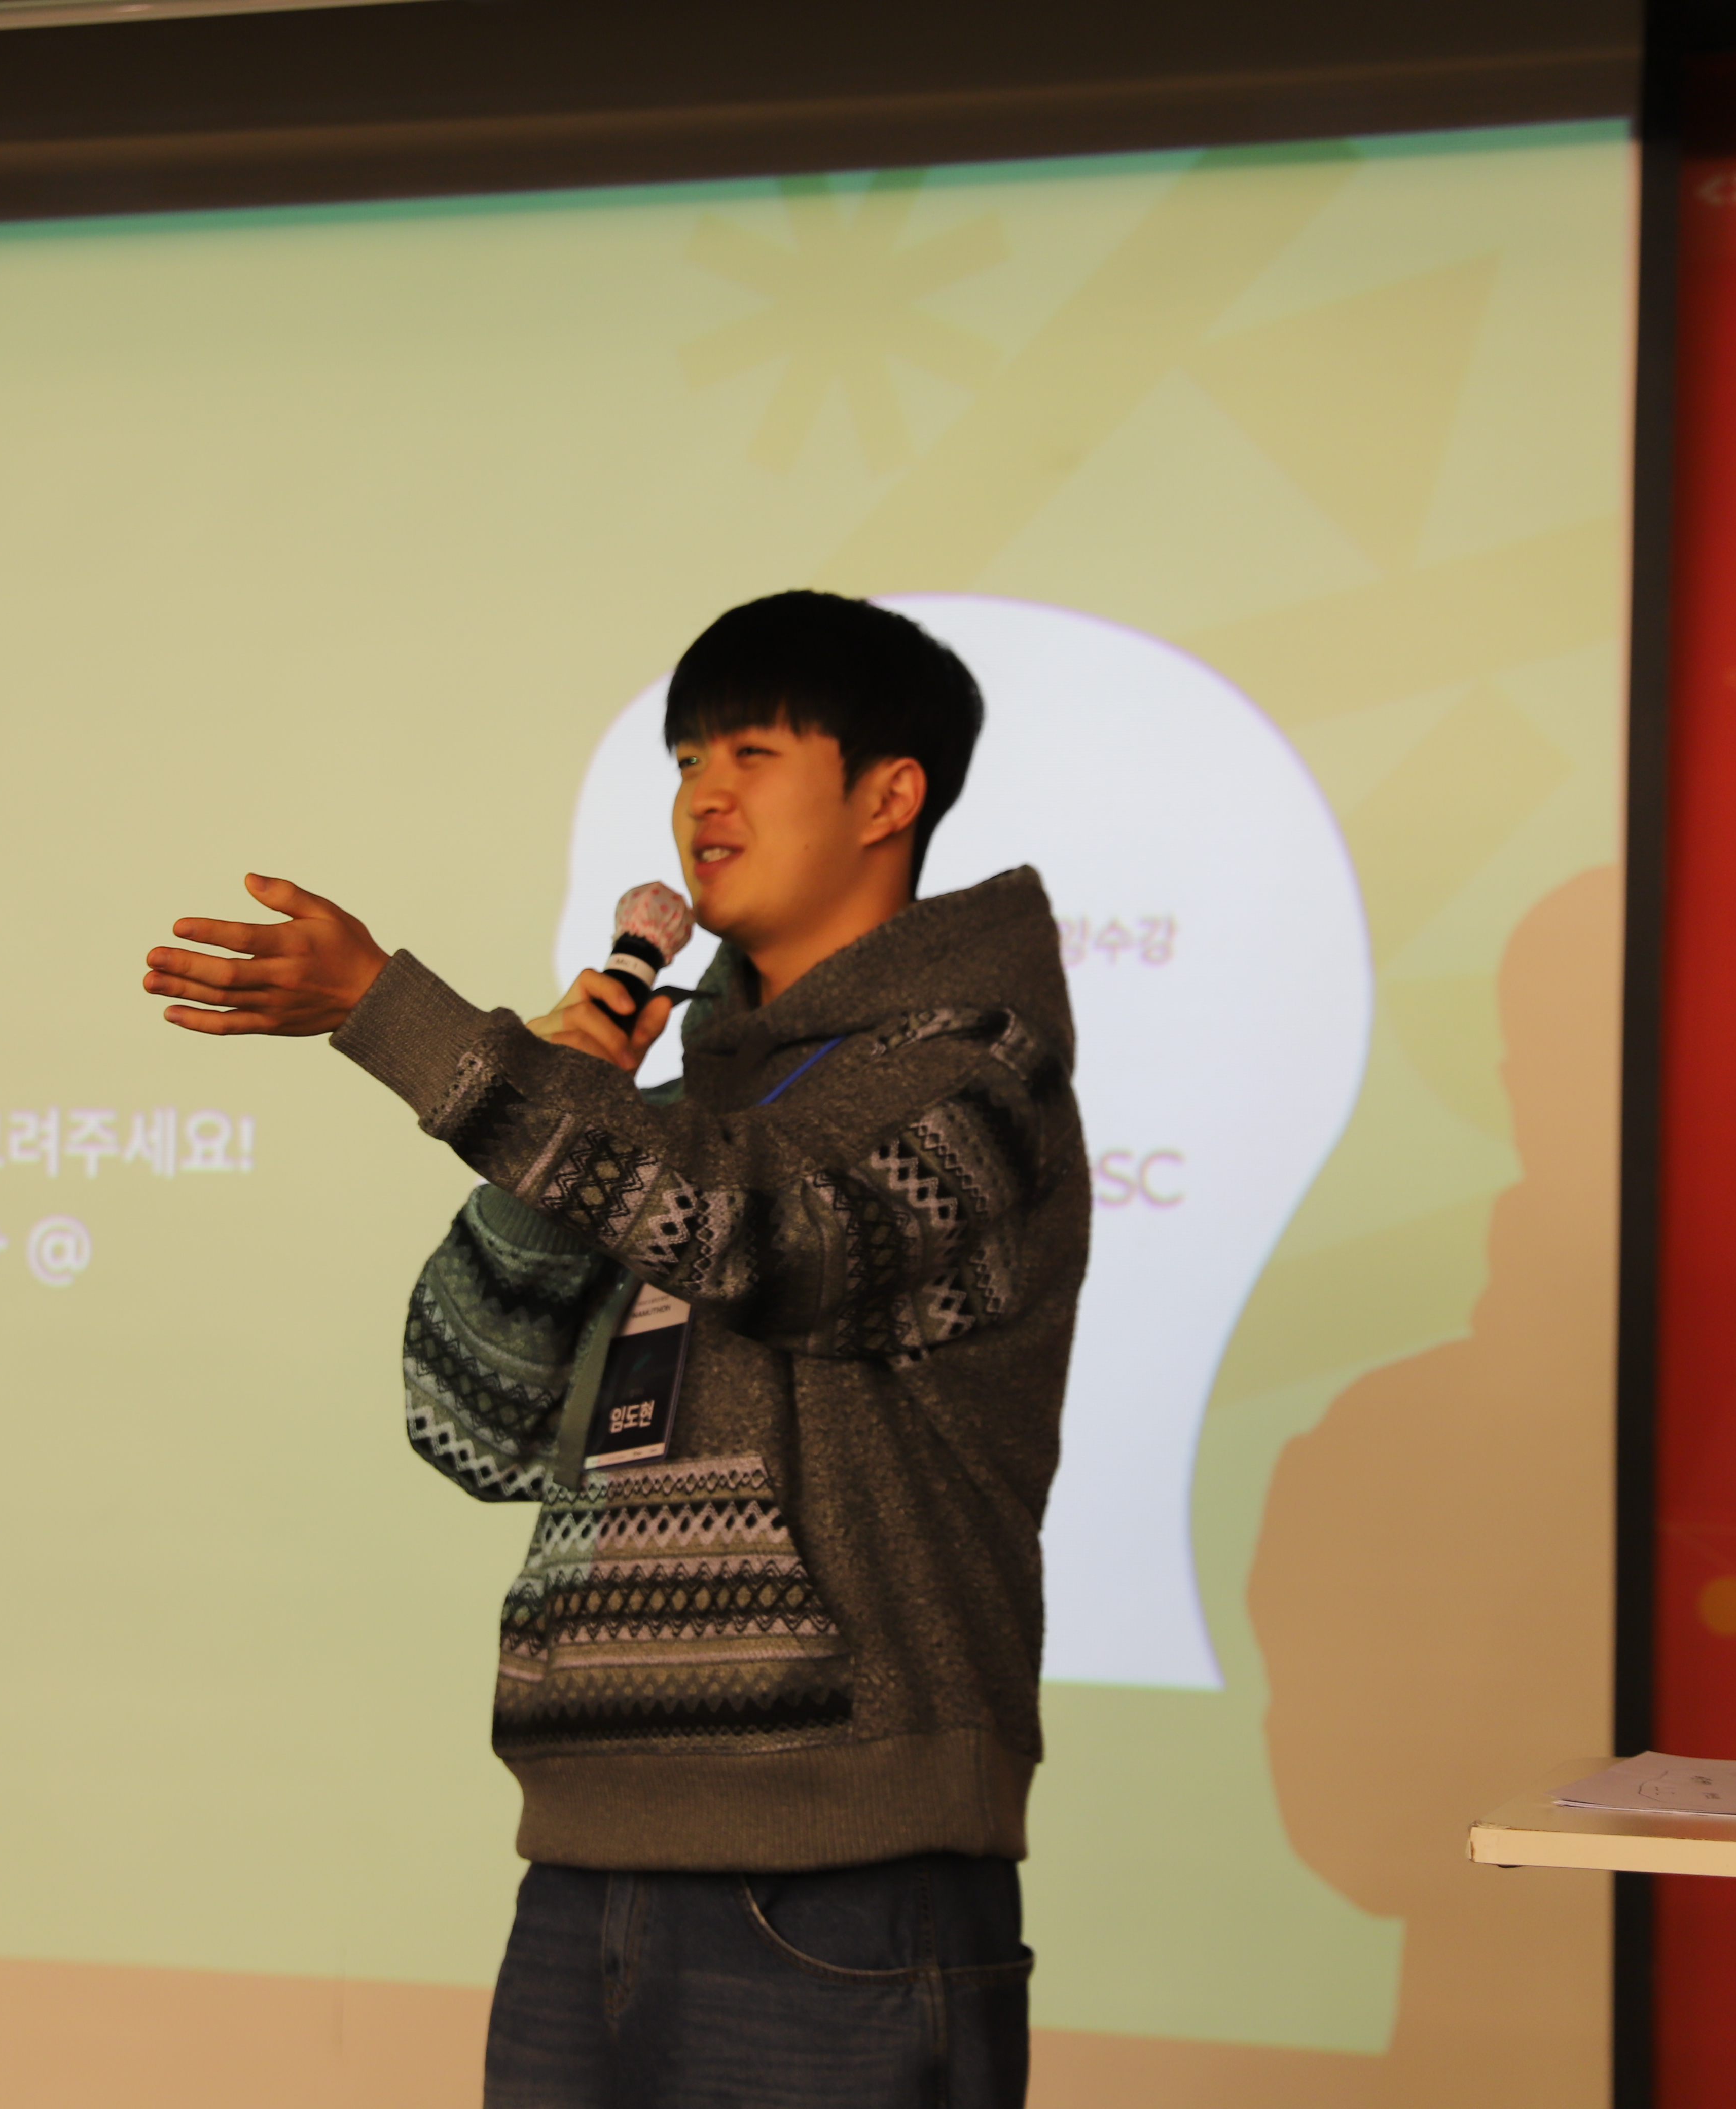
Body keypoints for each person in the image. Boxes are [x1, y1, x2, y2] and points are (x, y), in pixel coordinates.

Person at [141, 590, 1086, 2107]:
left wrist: (398, 1016)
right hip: (585, 1863)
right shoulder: (657, 1122)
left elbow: (766, 1236)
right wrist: (551, 1140)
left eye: (755, 754)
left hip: (845, 1876)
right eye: (688, 759)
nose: (705, 797)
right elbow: (470, 1421)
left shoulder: (975, 1075)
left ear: (889, 797)